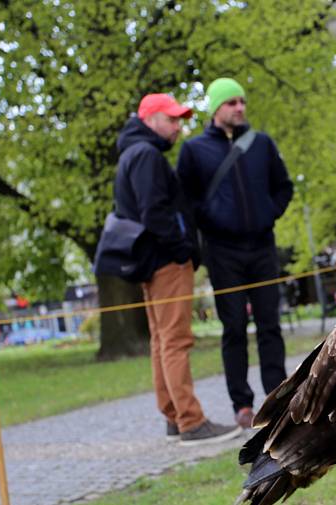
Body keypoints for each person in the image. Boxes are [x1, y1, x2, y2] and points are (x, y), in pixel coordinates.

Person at [113, 92, 242, 445]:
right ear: (150, 119)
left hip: (154, 260)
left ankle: (173, 415)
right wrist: (182, 249)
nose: (177, 126)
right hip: (166, 262)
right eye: (170, 119)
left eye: (179, 119)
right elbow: (154, 211)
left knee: (161, 340)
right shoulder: (146, 155)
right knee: (175, 340)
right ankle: (190, 421)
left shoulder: (133, 153)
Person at [177, 78, 293, 429]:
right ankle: (241, 404)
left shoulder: (261, 144)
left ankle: (276, 400)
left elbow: (283, 187)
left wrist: (267, 213)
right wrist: (213, 223)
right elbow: (187, 201)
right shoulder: (194, 151)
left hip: (262, 248)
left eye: (242, 101)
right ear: (216, 108)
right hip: (223, 252)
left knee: (270, 325)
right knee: (234, 328)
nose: (239, 108)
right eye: (231, 103)